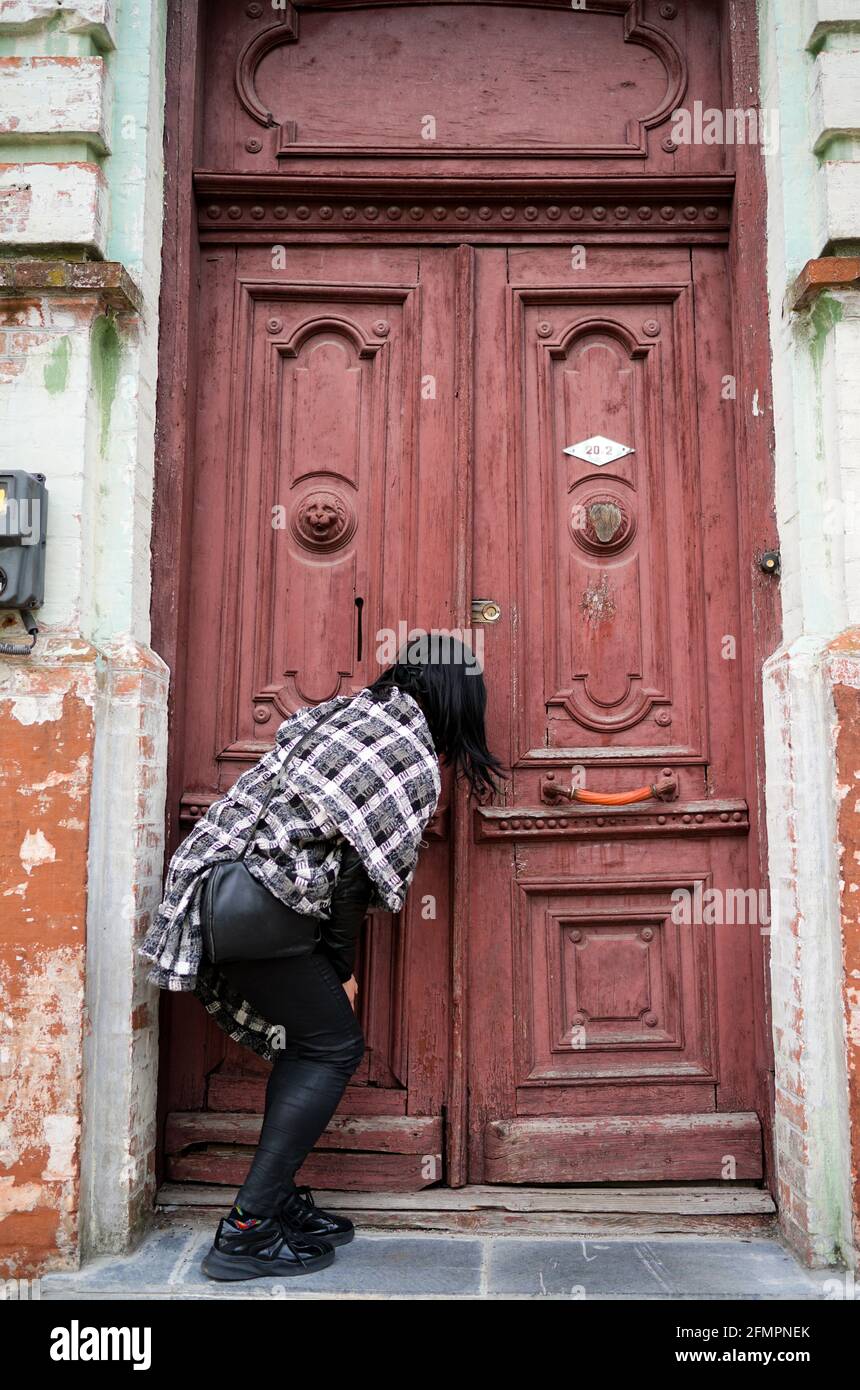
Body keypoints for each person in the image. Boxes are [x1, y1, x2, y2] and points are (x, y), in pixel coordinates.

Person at [138, 633, 504, 1280]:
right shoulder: (407, 753)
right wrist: (340, 969)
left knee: (307, 1042)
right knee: (331, 1046)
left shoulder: (345, 713)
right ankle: (246, 1230)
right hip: (263, 908)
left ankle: (273, 1203)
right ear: (456, 698)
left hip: (215, 882)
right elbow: (351, 881)